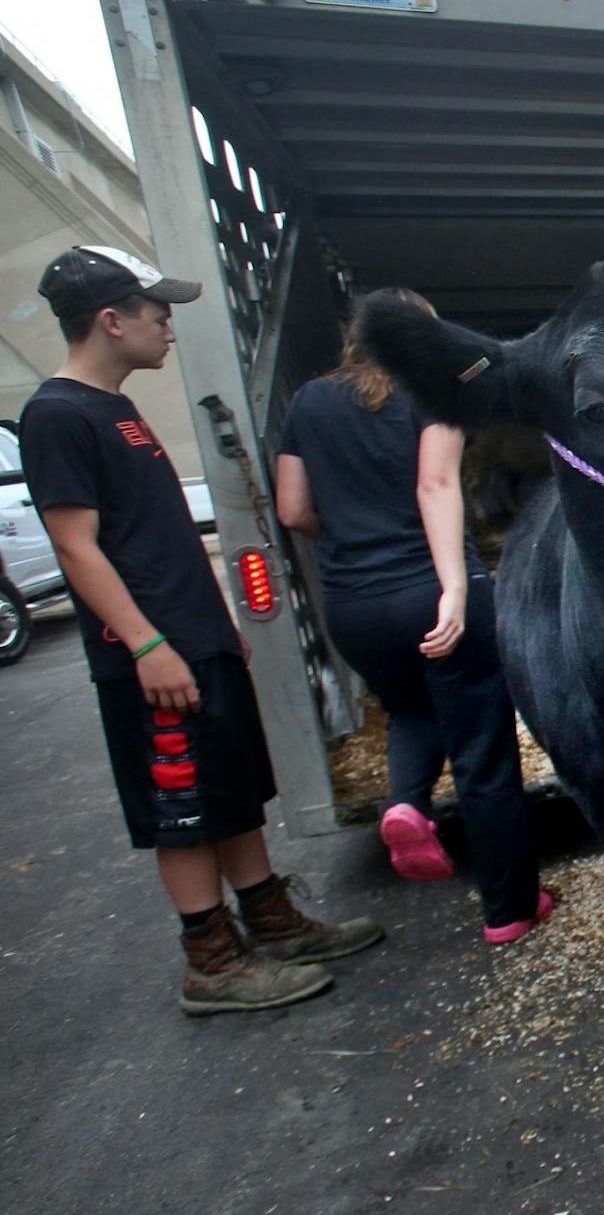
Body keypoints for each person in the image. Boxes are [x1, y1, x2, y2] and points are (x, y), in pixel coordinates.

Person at [19, 246, 382, 1014]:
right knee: (181, 811)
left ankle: (272, 921)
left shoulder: (115, 407)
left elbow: (149, 536)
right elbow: (75, 546)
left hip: (193, 641)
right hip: (149, 655)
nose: (168, 325)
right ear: (111, 320)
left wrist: (212, 627)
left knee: (233, 788)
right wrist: (148, 646)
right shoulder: (57, 414)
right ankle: (211, 959)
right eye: (157, 312)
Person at [274, 293, 552, 946]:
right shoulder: (437, 393)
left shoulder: (308, 402)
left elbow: (290, 511)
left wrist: (347, 538)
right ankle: (509, 908)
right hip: (429, 590)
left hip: (354, 604)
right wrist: (454, 588)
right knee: (483, 757)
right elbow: (435, 485)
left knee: (408, 711)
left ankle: (408, 804)